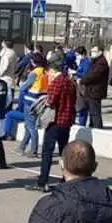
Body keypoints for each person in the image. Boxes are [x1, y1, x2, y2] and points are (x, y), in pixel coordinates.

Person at [31, 56, 76, 192]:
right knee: (64, 152)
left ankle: (43, 181)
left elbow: (51, 101)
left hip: (55, 120)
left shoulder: (57, 82)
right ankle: (66, 179)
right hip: (67, 120)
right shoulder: (70, 81)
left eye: (48, 71)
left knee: (47, 153)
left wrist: (45, 99)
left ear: (51, 69)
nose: (48, 74)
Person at [80, 46, 109, 129]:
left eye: (94, 51)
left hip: (95, 91)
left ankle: (97, 128)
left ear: (100, 52)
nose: (92, 53)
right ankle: (92, 125)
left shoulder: (101, 62)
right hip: (91, 90)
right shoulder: (95, 61)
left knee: (95, 112)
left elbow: (94, 75)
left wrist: (83, 80)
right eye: (91, 51)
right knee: (92, 111)